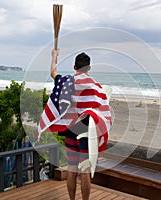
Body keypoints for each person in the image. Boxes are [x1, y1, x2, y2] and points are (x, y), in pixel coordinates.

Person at [45, 48, 111, 200]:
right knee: (85, 171)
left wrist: (54, 56)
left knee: (72, 169)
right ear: (89, 68)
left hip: (71, 130)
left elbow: (53, 73)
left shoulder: (67, 82)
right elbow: (102, 110)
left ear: (74, 67)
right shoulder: (96, 87)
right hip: (86, 131)